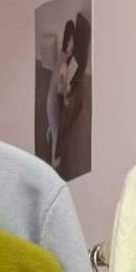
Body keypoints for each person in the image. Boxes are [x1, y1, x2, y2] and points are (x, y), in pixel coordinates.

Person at [46, 20, 76, 170]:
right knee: (57, 132)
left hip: (51, 98)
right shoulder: (64, 63)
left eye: (73, 41)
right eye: (70, 41)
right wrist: (65, 96)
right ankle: (53, 160)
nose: (72, 44)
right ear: (67, 41)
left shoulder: (63, 54)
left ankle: (49, 131)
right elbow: (59, 87)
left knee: (53, 125)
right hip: (52, 101)